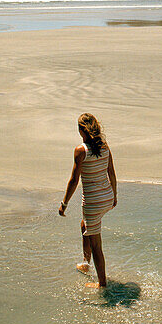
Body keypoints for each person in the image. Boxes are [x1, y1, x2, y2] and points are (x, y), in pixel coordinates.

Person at [58, 113, 117, 288]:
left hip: (93, 203)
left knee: (96, 244)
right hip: (107, 197)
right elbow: (112, 173)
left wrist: (64, 204)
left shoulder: (81, 151)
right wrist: (115, 196)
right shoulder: (105, 147)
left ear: (81, 130)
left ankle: (102, 283)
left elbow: (74, 180)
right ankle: (85, 262)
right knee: (85, 226)